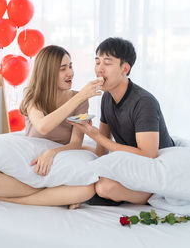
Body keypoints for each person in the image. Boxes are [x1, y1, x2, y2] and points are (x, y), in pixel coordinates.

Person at [0, 45, 103, 208]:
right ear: (48, 73)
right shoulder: (32, 96)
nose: (70, 73)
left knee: (86, 190)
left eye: (70, 66)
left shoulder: (79, 99)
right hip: (31, 159)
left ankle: (5, 198)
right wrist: (78, 98)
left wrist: (52, 153)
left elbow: (75, 144)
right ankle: (55, 195)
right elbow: (43, 127)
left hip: (59, 158)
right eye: (63, 69)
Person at [69, 37, 175, 206]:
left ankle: (155, 196)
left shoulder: (144, 102)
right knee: (78, 160)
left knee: (105, 188)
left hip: (155, 166)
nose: (99, 69)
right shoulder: (107, 97)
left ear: (125, 68)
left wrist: (96, 136)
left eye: (107, 63)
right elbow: (101, 149)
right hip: (130, 160)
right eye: (97, 62)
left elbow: (148, 155)